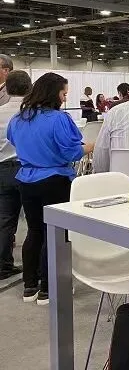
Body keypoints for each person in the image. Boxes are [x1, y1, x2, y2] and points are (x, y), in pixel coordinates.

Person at [7, 72, 93, 305]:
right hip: (55, 180)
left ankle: (30, 286)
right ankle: (49, 287)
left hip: (26, 180)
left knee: (34, 231)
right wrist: (92, 146)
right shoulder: (59, 119)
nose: (65, 99)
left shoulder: (18, 118)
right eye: (64, 94)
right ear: (54, 93)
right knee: (55, 234)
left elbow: (13, 140)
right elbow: (72, 151)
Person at [0, 70, 31, 281]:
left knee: (5, 220)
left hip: (3, 169)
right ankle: (34, 268)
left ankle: (3, 265)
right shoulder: (32, 113)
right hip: (28, 168)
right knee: (34, 222)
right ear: (29, 88)